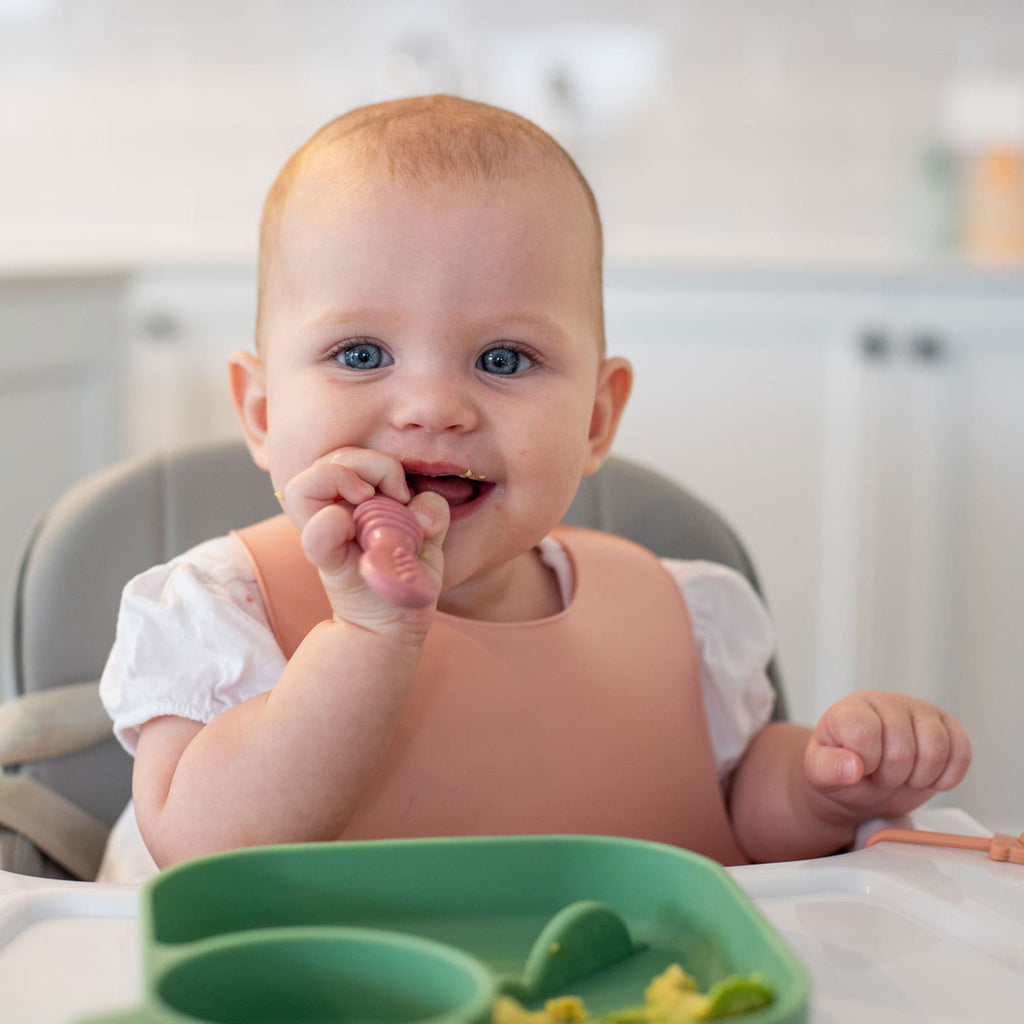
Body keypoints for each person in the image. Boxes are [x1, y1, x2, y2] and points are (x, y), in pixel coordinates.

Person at [98, 94, 970, 882]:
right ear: (258, 408)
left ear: (596, 419)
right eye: (360, 354)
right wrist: (367, 640)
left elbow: (734, 815)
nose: (434, 407)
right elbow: (203, 853)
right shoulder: (220, 613)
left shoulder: (680, 618)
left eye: (503, 359)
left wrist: (827, 786)